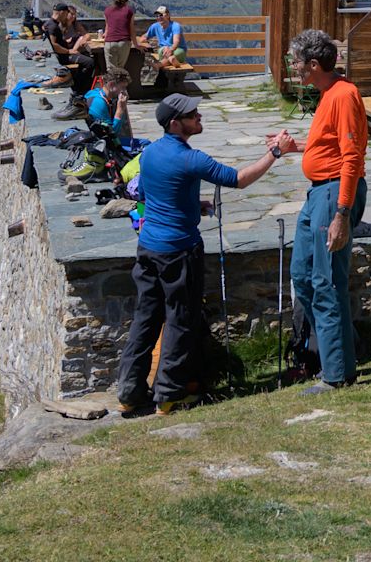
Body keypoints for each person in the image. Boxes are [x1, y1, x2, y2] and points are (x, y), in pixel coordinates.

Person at [117, 94, 293, 415]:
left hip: (148, 248)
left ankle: (129, 393)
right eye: (192, 114)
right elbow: (238, 179)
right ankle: (168, 395)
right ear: (175, 123)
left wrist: (190, 204)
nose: (198, 116)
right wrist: (275, 152)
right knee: (180, 319)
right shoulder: (191, 158)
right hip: (178, 251)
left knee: (146, 317)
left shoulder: (150, 153)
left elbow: (147, 193)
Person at [286, 28, 370, 392]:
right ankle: (338, 351)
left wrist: (341, 214)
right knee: (302, 274)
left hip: (334, 193)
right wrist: (296, 147)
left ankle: (337, 374)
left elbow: (351, 157)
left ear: (314, 65)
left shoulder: (344, 95)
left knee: (326, 280)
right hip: (318, 192)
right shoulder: (327, 94)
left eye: (296, 63)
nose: (293, 68)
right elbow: (329, 145)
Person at [38, 4, 97, 113]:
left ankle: (78, 85)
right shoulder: (53, 26)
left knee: (87, 61)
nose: (66, 16)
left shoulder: (50, 24)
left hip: (64, 53)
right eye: (66, 13)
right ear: (62, 12)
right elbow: (55, 45)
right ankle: (80, 88)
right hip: (64, 56)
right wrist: (68, 51)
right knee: (90, 62)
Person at [139, 6, 188, 90]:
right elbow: (145, 36)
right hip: (164, 52)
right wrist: (142, 40)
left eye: (161, 15)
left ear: (168, 15)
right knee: (164, 51)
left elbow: (176, 42)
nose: (159, 17)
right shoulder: (155, 26)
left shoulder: (175, 26)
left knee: (173, 53)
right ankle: (174, 62)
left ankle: (159, 65)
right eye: (157, 16)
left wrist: (170, 49)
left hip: (178, 50)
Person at [85, 71, 133, 140]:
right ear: (111, 84)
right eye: (122, 87)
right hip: (101, 141)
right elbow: (112, 134)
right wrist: (120, 110)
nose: (124, 91)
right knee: (145, 143)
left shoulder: (99, 92)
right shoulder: (99, 102)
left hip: (102, 137)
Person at [100, 0, 137, 81]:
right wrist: (136, 44)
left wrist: (104, 36)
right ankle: (120, 88)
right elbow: (131, 29)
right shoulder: (129, 11)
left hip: (110, 42)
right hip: (124, 43)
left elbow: (107, 28)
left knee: (111, 71)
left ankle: (111, 88)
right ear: (126, 1)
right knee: (120, 70)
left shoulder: (107, 11)